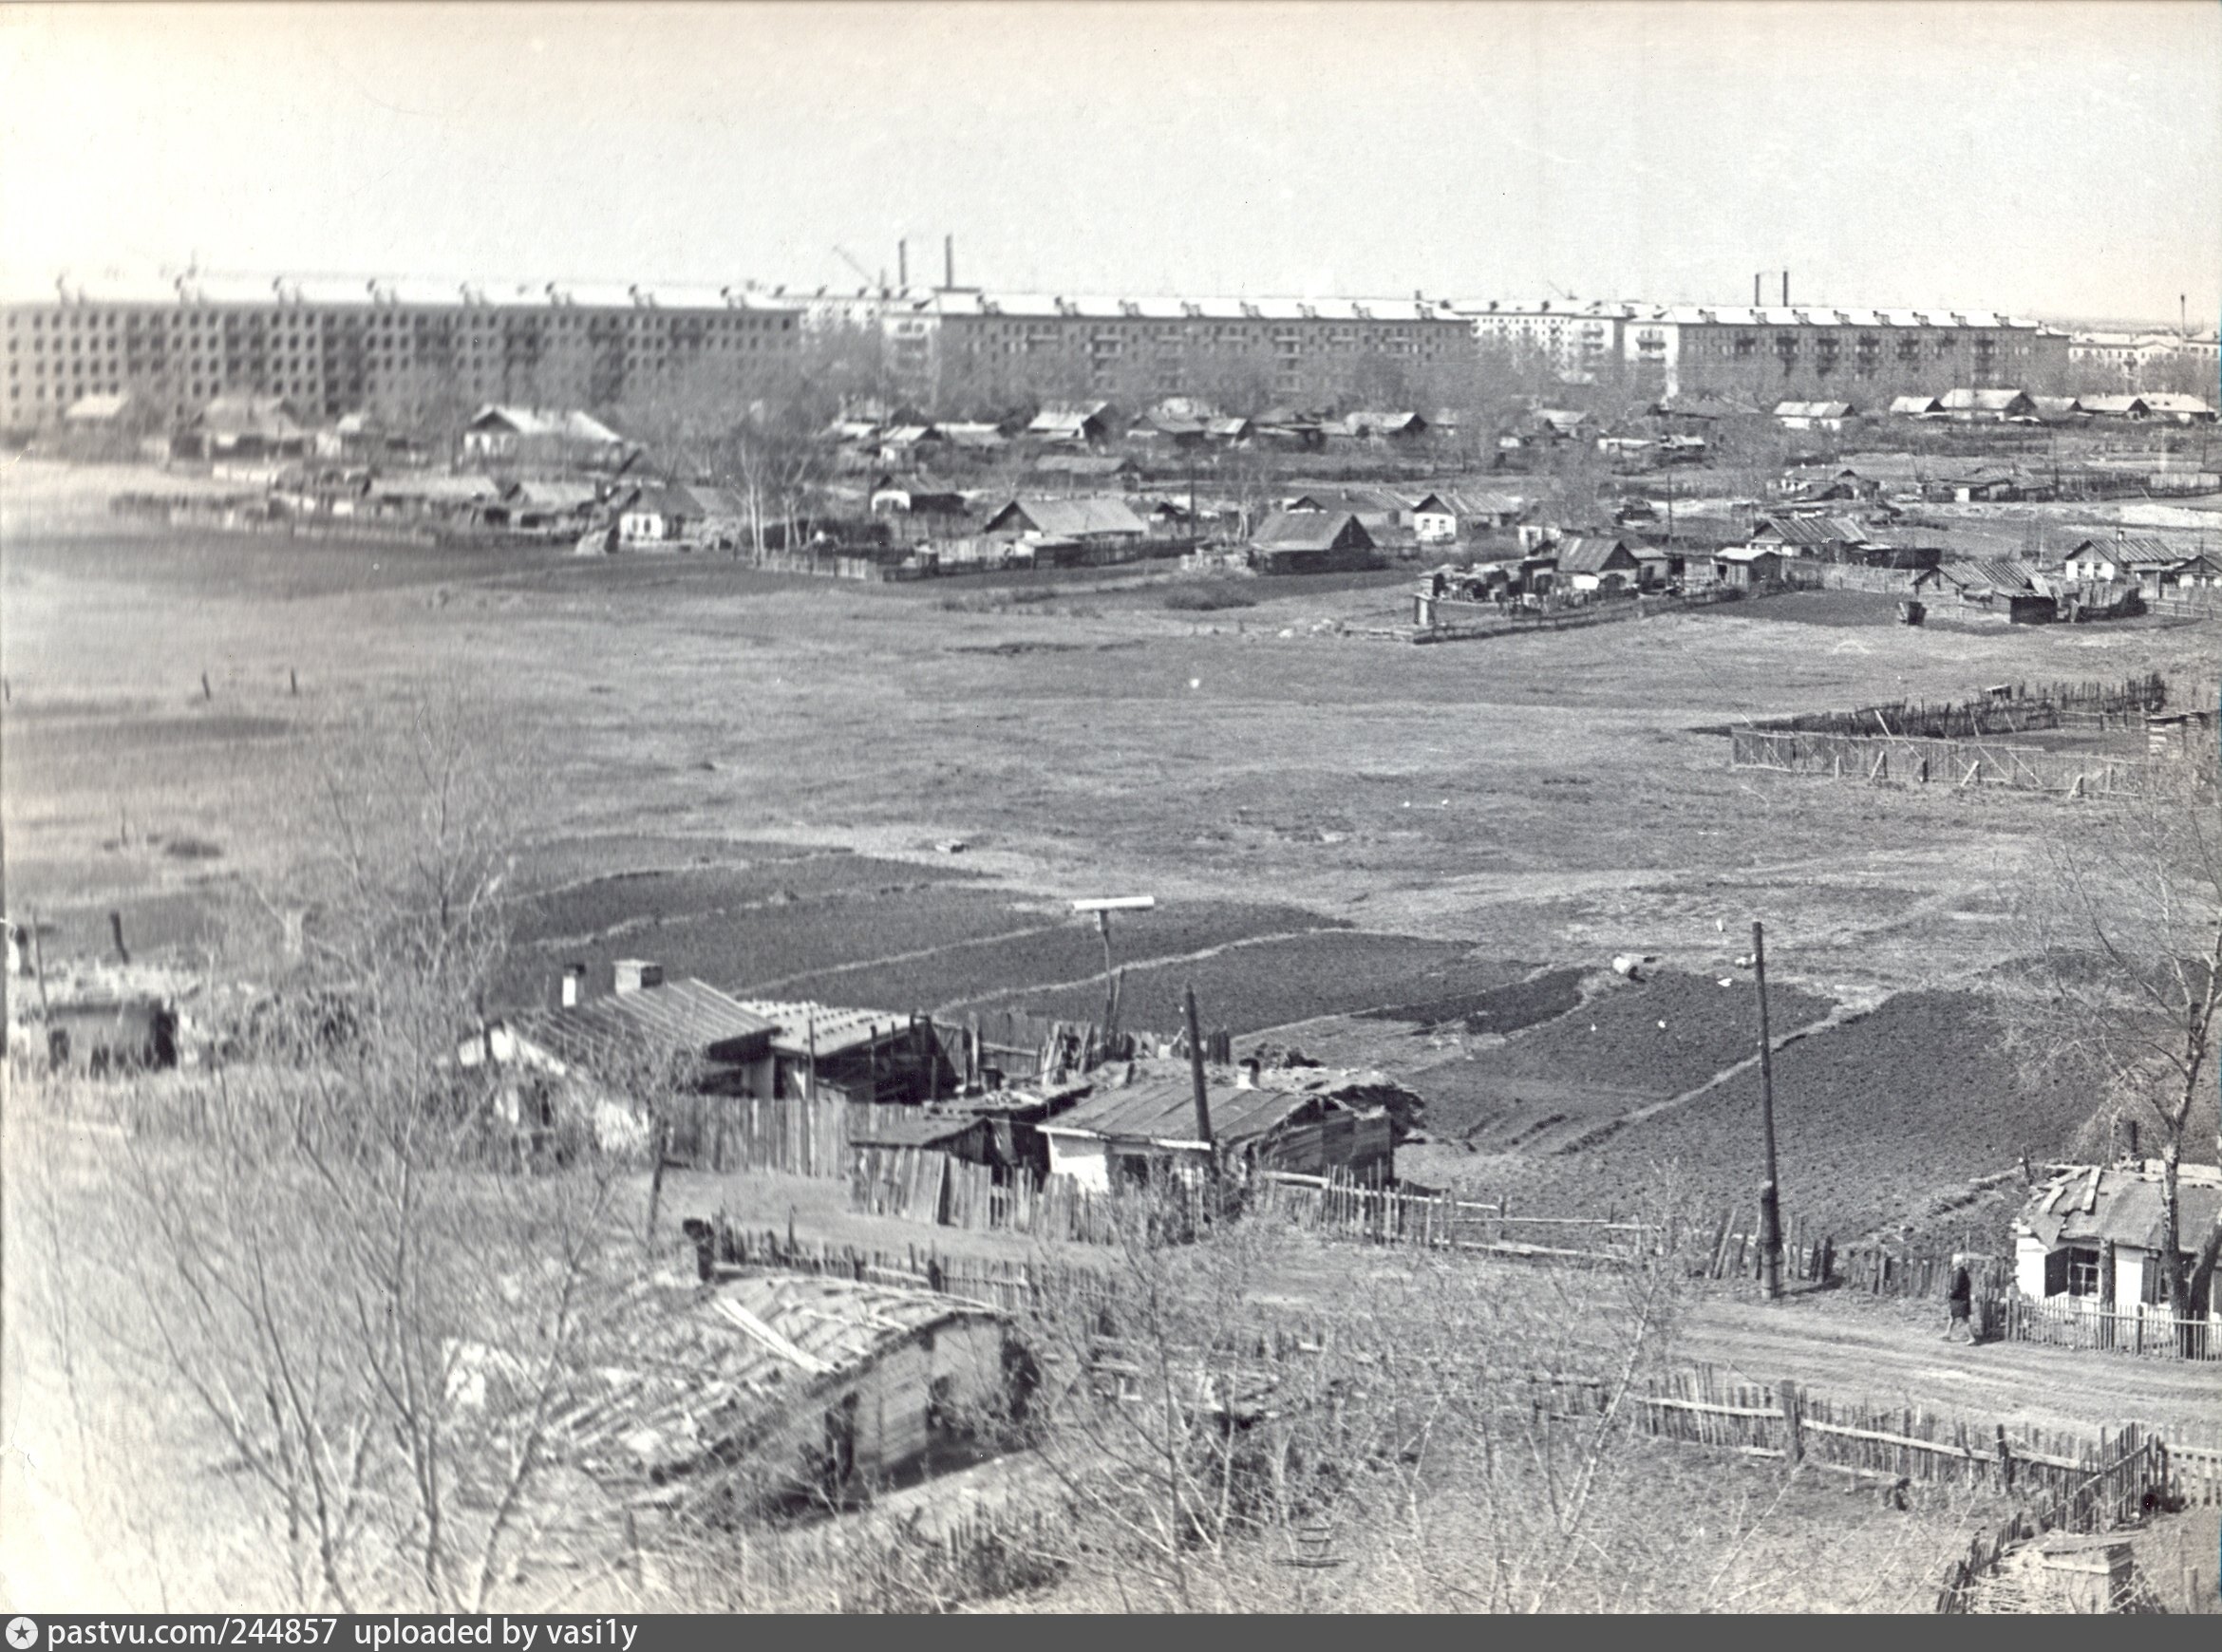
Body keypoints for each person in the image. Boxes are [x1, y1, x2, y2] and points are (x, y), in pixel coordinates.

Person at [1944, 1257, 1975, 1343]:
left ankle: (1971, 1337)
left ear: (1956, 1263)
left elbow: (1956, 1287)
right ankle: (1947, 1334)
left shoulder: (1958, 1273)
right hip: (1961, 1299)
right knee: (1952, 1316)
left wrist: (1951, 1295)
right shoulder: (1962, 1271)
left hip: (1959, 1299)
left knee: (1964, 1319)